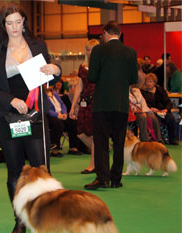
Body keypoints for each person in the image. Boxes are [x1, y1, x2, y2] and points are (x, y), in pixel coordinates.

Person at [0, 2, 61, 233]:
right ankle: (20, 221)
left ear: (24, 22)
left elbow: (51, 79)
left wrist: (55, 70)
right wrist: (11, 100)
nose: (14, 27)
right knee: (15, 171)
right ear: (2, 25)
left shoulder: (37, 45)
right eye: (9, 23)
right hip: (6, 117)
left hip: (35, 115)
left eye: (18, 21)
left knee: (42, 171)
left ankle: (50, 221)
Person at [85, 21, 138, 190]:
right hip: (121, 104)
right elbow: (133, 79)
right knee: (119, 141)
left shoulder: (98, 50)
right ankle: (116, 179)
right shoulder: (131, 52)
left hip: (102, 104)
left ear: (105, 33)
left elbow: (92, 77)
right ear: (119, 33)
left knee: (101, 142)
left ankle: (103, 178)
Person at [70, 39, 99, 174]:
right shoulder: (83, 67)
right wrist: (73, 105)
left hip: (98, 102)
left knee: (94, 133)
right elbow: (79, 86)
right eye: (88, 49)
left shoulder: (102, 65)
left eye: (93, 49)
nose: (90, 51)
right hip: (85, 103)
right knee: (81, 134)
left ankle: (93, 165)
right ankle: (101, 152)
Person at [140, 73, 178, 145]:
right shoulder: (143, 92)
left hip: (163, 110)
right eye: (147, 82)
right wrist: (151, 108)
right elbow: (143, 103)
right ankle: (158, 139)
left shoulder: (160, 90)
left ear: (154, 82)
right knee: (155, 120)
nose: (149, 83)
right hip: (151, 111)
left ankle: (172, 139)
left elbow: (168, 102)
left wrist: (166, 109)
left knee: (171, 118)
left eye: (151, 82)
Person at [46, 84, 81, 157]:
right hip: (50, 116)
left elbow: (62, 104)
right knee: (57, 124)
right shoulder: (41, 95)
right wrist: (57, 115)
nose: (49, 86)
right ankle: (55, 149)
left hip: (61, 115)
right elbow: (46, 109)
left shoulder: (54, 93)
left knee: (73, 121)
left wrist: (64, 113)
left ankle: (73, 147)